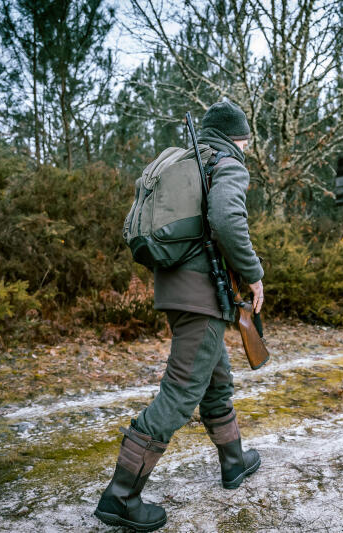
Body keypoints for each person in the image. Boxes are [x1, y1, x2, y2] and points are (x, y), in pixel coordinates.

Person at [93, 101, 265, 532]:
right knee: (180, 392)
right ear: (236, 136)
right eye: (245, 138)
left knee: (215, 379)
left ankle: (234, 462)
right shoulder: (228, 163)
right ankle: (121, 497)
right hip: (201, 296)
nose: (246, 145)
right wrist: (254, 274)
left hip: (175, 290)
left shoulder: (190, 159)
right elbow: (227, 220)